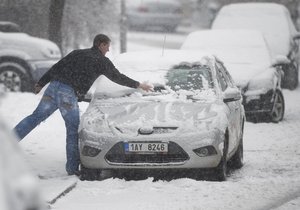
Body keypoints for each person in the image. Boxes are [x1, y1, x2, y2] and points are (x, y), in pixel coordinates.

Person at [13, 34, 152, 176]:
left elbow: (57, 67)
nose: (108, 50)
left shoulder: (77, 53)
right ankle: (72, 168)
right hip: (68, 93)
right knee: (73, 129)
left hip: (53, 87)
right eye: (107, 46)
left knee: (35, 117)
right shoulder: (102, 61)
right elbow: (118, 77)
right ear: (101, 45)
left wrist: (41, 83)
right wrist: (139, 85)